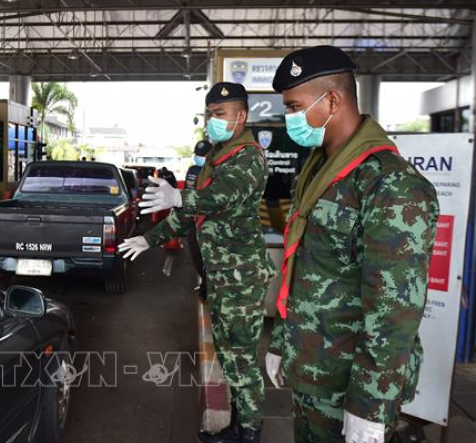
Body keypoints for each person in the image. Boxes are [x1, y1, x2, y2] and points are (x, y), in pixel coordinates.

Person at [264, 45, 439, 443]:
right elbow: (303, 268)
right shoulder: (319, 170)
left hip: (351, 386)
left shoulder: (390, 184)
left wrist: (370, 406)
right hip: (311, 368)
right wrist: (281, 340)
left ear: (332, 100)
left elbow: (394, 309)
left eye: (294, 107)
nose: (288, 118)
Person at [119, 82, 276, 443]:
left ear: (241, 116)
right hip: (221, 276)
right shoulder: (219, 156)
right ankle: (238, 424)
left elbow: (217, 197)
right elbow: (194, 214)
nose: (213, 121)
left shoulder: (248, 158)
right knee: (228, 355)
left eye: (220, 114)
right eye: (209, 115)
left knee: (242, 360)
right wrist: (149, 238)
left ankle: (250, 432)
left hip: (241, 278)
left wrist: (179, 196)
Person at [185, 140, 213, 299]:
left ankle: (209, 286)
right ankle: (205, 283)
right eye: (198, 154)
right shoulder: (193, 170)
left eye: (203, 155)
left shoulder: (219, 170)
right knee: (196, 253)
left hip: (211, 222)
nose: (199, 157)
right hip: (194, 220)